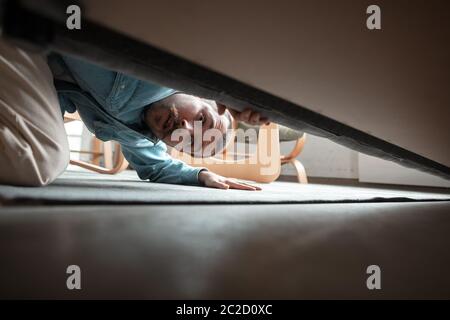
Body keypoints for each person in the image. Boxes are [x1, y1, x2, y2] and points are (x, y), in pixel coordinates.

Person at [0, 37, 268, 190]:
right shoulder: (170, 63)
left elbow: (158, 166)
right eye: (201, 120)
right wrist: (231, 88)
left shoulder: (139, 134)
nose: (183, 129)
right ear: (204, 96)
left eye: (189, 142)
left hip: (32, 70)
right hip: (27, 32)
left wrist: (200, 175)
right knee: (45, 158)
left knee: (38, 159)